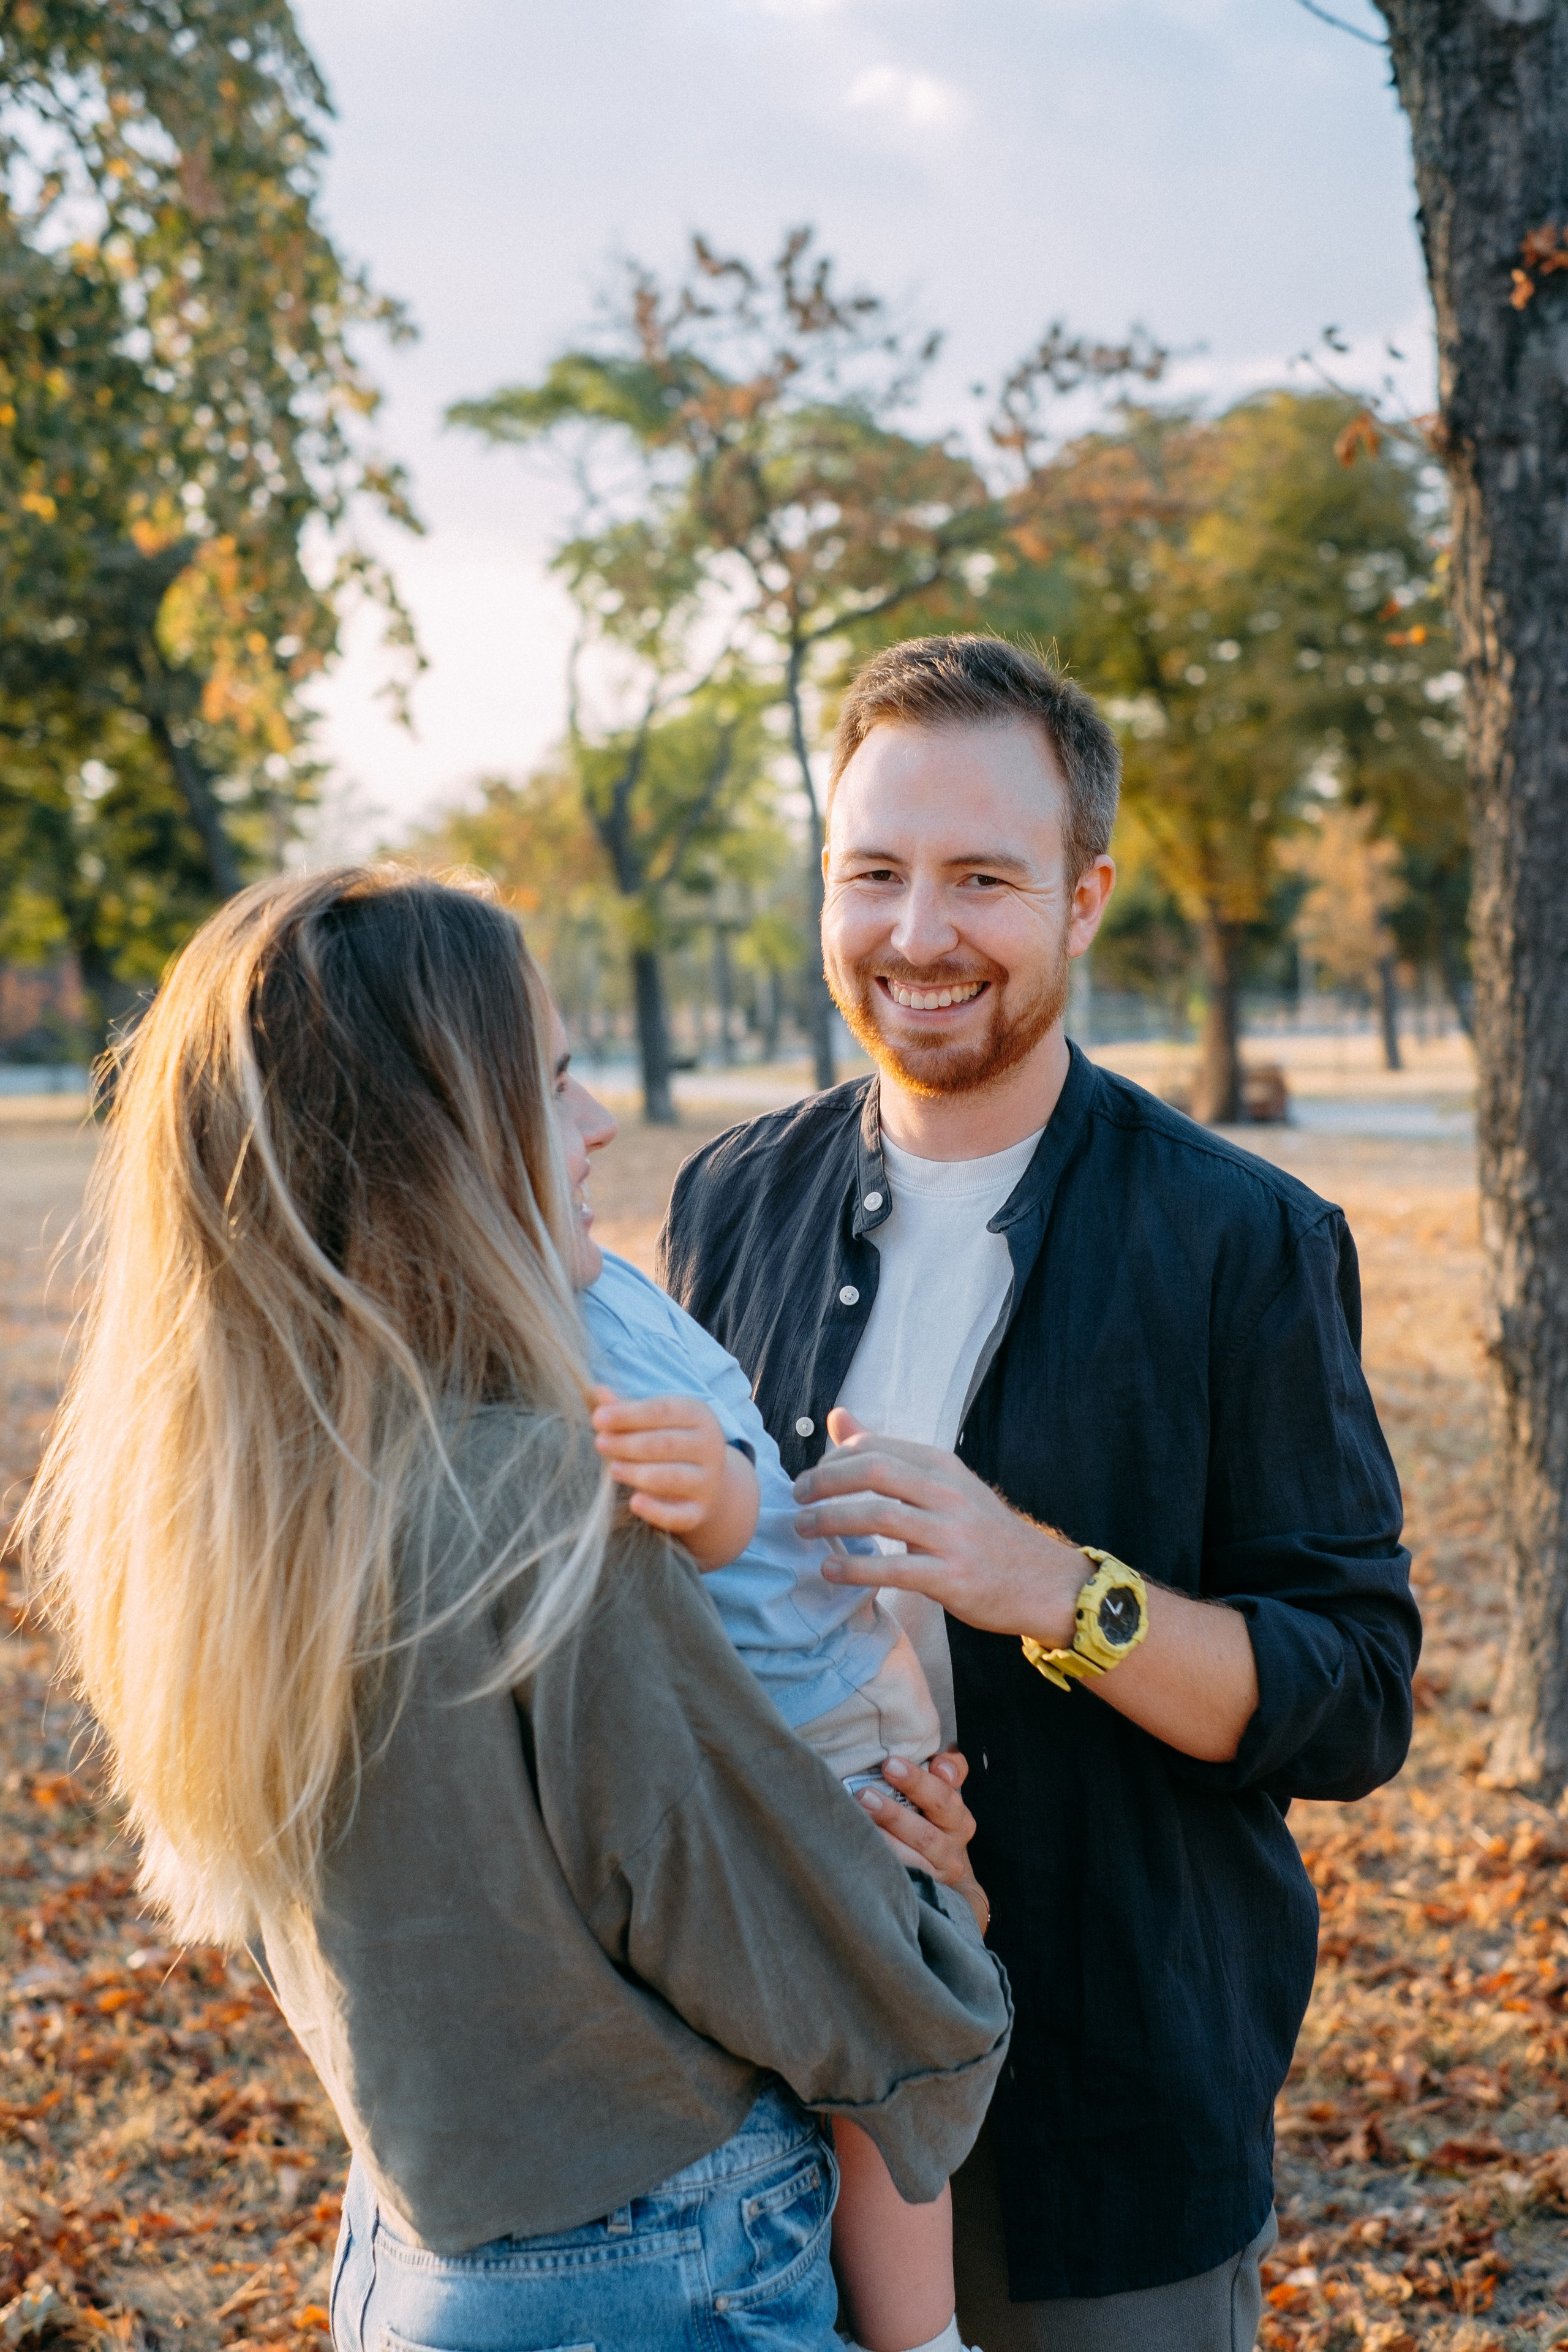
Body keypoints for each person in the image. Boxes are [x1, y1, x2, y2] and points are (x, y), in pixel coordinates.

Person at [23, 865, 1012, 2352]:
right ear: (431, 1148)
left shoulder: (242, 1506)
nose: (598, 1120)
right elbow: (743, 1911)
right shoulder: (548, 1496)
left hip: (414, 2244)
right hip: (662, 2257)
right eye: (548, 1083)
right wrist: (939, 1924)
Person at [660, 635, 1421, 2351]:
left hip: (1106, 2112)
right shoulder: (728, 1199)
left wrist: (1052, 1589)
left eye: (982, 880)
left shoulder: (1243, 1240)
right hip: (771, 2102)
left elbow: (1354, 1697)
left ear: (1082, 901)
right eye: (873, 872)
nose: (917, 934)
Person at [547, 1003, 982, 2352]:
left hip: (832, 1692)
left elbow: (726, 1481)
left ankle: (918, 2331)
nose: (599, 1121)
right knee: (861, 2027)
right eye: (553, 1085)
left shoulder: (600, 1288)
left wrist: (745, 1500)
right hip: (790, 1705)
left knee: (891, 2022)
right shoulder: (537, 1314)